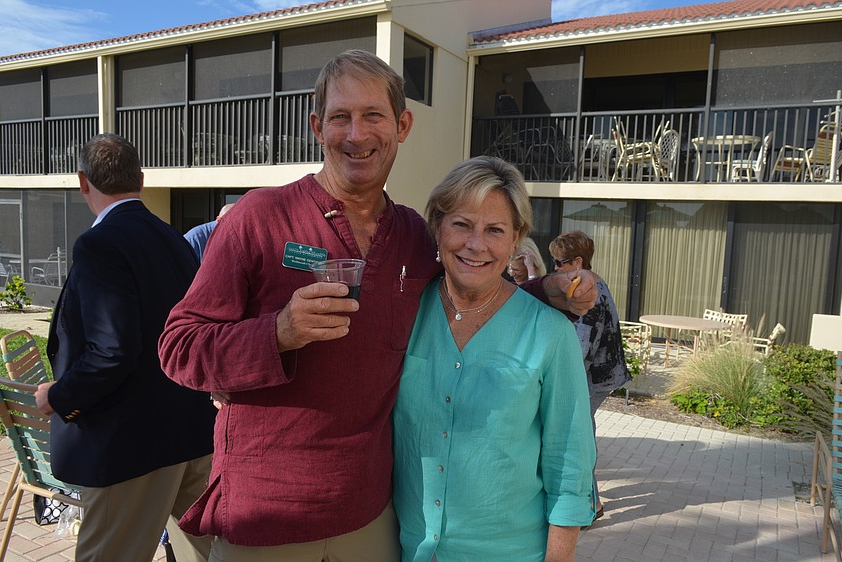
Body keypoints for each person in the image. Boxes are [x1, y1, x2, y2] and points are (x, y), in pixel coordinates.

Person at [158, 49, 596, 560]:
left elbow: (473, 291)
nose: (356, 134)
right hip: (267, 510)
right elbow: (179, 347)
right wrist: (277, 332)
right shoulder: (258, 218)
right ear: (317, 126)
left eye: (373, 116)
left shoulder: (411, 235)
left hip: (370, 516)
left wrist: (542, 292)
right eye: (340, 116)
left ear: (402, 125)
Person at [392, 156, 595, 562]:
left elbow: (568, 467)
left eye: (495, 230)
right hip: (410, 549)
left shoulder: (550, 333)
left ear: (516, 238)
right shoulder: (403, 315)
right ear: (437, 226)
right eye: (462, 224)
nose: (476, 244)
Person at [33, 133, 216, 562]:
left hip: (130, 445)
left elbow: (111, 350)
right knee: (208, 554)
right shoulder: (174, 239)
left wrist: (59, 396)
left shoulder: (99, 244)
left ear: (83, 183)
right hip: (189, 430)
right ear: (142, 179)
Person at [549, 229, 631, 524]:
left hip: (592, 378)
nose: (555, 268)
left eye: (561, 262)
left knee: (579, 439)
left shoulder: (585, 290)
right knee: (583, 436)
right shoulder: (596, 282)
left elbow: (580, 346)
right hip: (602, 375)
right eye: (554, 261)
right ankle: (592, 502)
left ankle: (589, 504)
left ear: (578, 260)